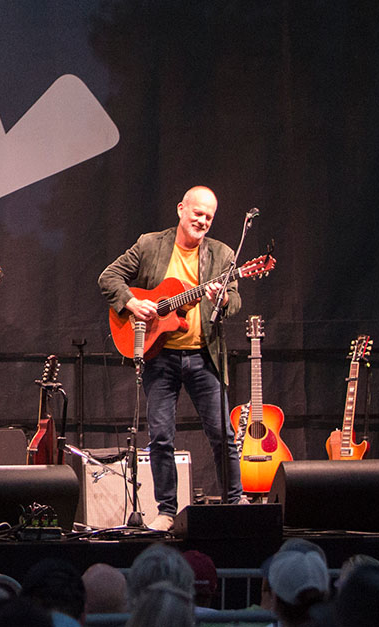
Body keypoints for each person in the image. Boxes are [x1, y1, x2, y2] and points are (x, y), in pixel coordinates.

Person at [98, 186, 244, 531]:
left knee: (223, 434)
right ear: (181, 209)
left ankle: (236, 504)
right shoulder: (150, 244)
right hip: (159, 355)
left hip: (203, 356)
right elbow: (109, 277)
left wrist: (221, 300)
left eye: (209, 216)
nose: (202, 221)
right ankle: (166, 511)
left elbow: (235, 301)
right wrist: (132, 303)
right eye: (197, 213)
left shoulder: (222, 255)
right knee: (161, 437)